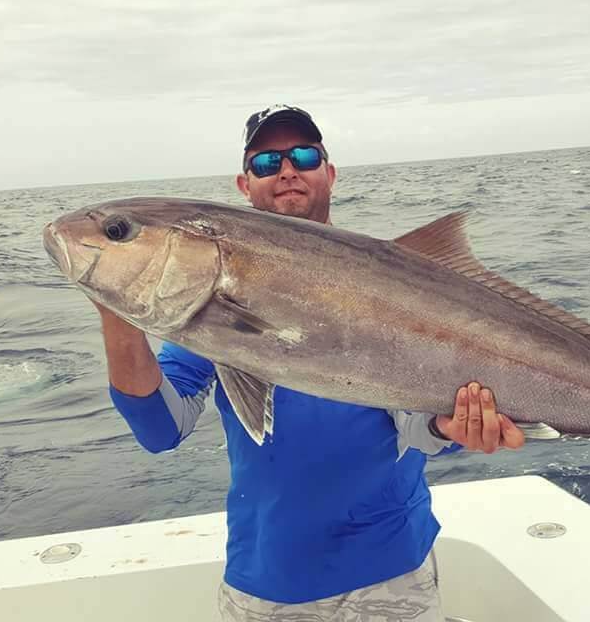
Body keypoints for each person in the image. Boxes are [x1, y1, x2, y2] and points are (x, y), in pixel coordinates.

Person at [93, 104, 525, 621]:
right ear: (244, 183)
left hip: (394, 570)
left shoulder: (391, 284)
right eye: (267, 161)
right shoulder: (205, 311)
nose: (288, 170)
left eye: (304, 155)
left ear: (330, 172)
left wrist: (451, 425)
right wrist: (116, 310)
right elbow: (161, 428)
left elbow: (417, 423)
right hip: (268, 579)